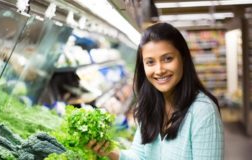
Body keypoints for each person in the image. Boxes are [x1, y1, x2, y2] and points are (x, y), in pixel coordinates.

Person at [87, 22, 224, 160]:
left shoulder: (202, 111)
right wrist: (109, 150)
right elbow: (140, 156)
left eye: (167, 59)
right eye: (150, 62)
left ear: (183, 58)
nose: (159, 70)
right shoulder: (149, 105)